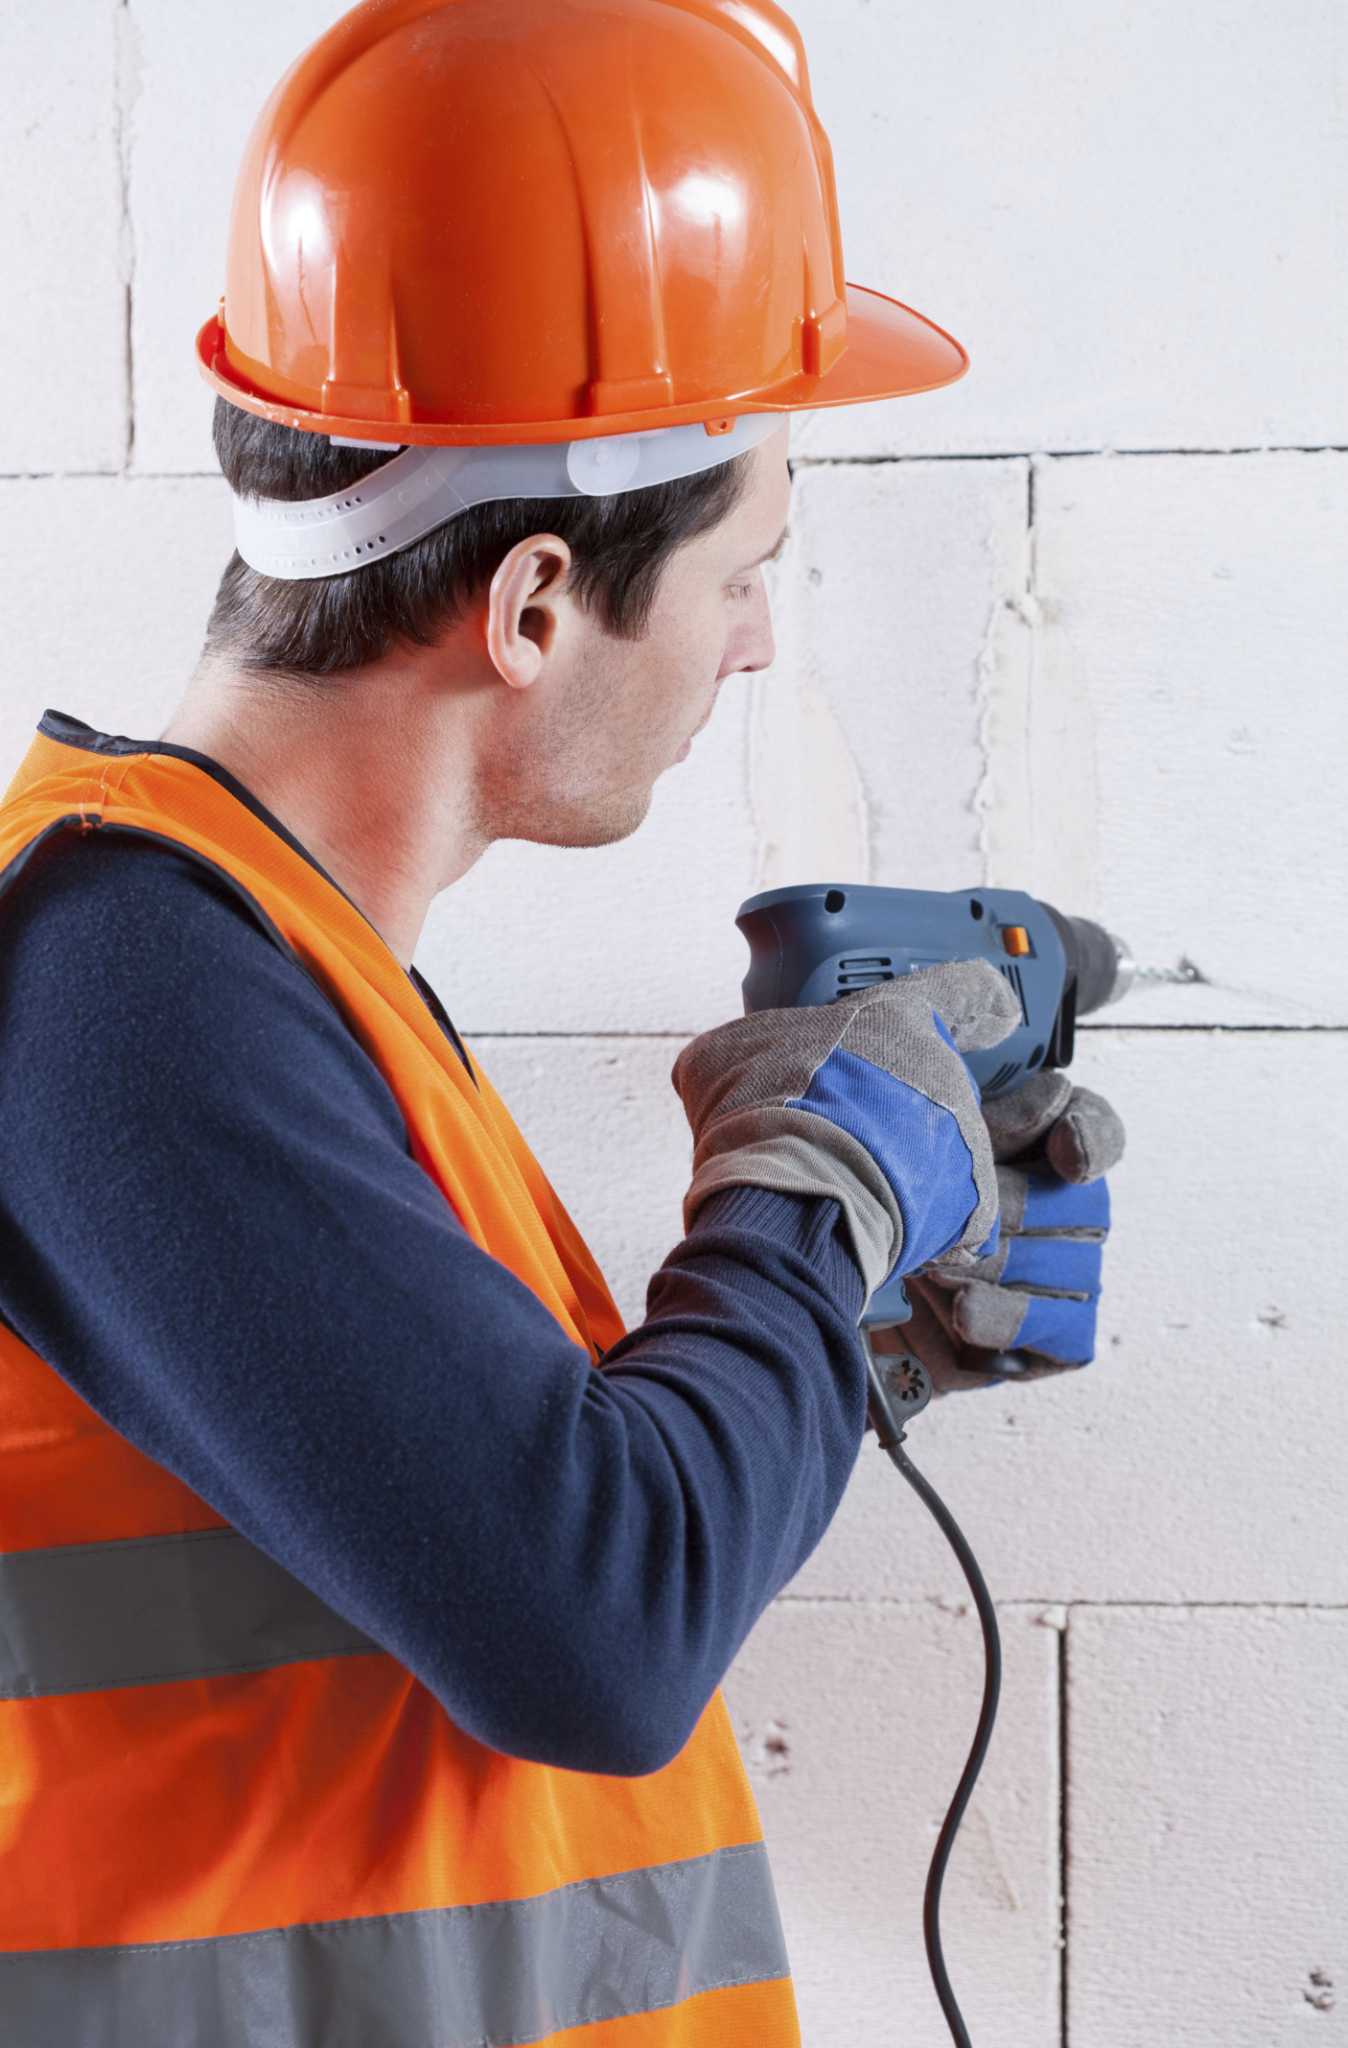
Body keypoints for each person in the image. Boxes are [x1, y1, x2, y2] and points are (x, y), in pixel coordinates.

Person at [0, 2, 1123, 2041]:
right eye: (741, 567)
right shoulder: (116, 988)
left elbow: (506, 1532)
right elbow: (594, 1630)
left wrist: (829, 1342)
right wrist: (814, 1186)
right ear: (530, 605)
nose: (759, 635)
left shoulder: (277, 980)